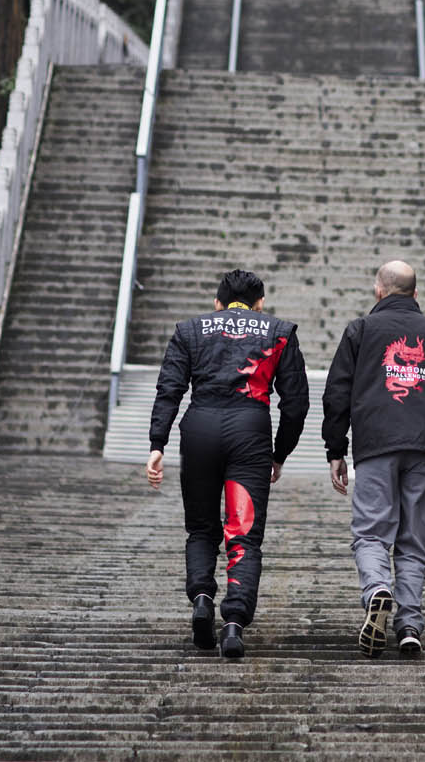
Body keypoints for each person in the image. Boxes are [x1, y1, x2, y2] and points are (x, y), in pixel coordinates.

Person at [147, 268, 308, 660]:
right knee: (244, 534)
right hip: (249, 433)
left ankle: (202, 598)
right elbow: (296, 403)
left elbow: (169, 389)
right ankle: (234, 623)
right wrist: (279, 453)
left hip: (199, 429)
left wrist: (157, 443)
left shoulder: (190, 330)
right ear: (260, 303)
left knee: (202, 528)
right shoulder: (279, 331)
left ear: (217, 303)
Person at [322, 259, 425, 658]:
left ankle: (378, 588)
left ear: (379, 291)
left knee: (371, 532)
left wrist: (336, 450)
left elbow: (336, 393)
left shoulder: (360, 331)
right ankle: (409, 625)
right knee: (414, 540)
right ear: (415, 293)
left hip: (376, 446)